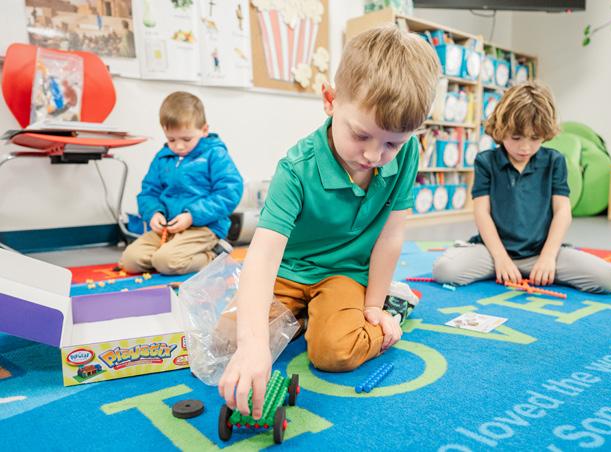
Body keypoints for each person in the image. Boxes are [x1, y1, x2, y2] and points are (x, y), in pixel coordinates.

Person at [217, 26, 441, 419]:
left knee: (334, 352)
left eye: (393, 143)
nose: (373, 155)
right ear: (330, 100)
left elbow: (391, 236)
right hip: (290, 271)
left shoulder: (406, 156)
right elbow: (264, 255)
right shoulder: (296, 169)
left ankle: (392, 304)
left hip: (345, 275)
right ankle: (310, 315)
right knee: (227, 338)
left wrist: (375, 307)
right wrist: (252, 344)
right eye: (361, 135)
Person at [432, 81, 611, 294]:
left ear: (545, 134)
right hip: (493, 254)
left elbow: (562, 211)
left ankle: (532, 270)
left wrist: (548, 257)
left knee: (609, 279)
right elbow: (481, 212)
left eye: (535, 138)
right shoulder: (486, 161)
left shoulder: (555, 161)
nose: (525, 147)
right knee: (444, 270)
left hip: (541, 253)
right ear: (501, 129)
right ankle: (504, 269)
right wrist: (501, 259)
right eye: (516, 137)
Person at [120, 91, 243, 275]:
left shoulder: (215, 154)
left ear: (204, 130)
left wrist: (192, 216)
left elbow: (229, 192)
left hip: (203, 227)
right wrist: (153, 213)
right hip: (169, 228)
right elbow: (149, 192)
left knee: (166, 262)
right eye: (171, 139)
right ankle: (171, 255)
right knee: (130, 261)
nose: (178, 146)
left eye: (186, 139)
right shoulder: (163, 157)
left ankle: (215, 256)